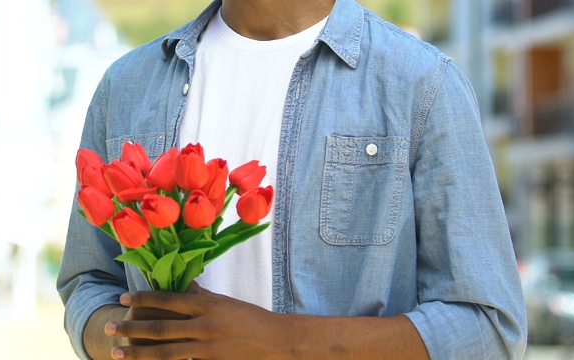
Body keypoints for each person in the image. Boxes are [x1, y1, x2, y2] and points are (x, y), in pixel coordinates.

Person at [57, 0, 528, 358]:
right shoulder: (126, 86)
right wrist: (125, 339)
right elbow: (88, 283)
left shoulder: (422, 85)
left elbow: (487, 328)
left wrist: (279, 342)